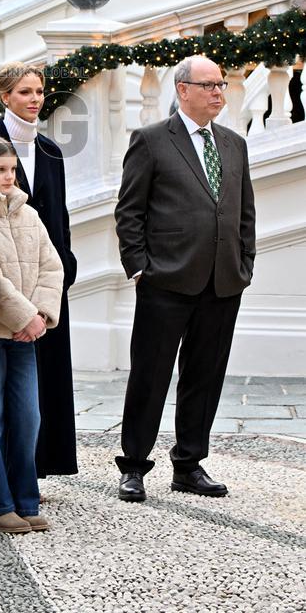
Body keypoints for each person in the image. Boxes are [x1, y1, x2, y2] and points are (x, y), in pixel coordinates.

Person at [114, 55, 256, 502]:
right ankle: (134, 466)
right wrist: (140, 268)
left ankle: (189, 465)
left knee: (205, 377)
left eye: (221, 85)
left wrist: (245, 264)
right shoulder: (152, 140)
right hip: (165, 282)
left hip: (223, 282)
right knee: (150, 375)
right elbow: (129, 212)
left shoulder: (234, 144)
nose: (218, 92)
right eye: (209, 85)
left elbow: (244, 212)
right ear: (182, 90)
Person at [0, 62, 78, 478]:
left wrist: (64, 267)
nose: (35, 99)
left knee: (41, 386)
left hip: (44, 285)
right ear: (5, 96)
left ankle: (33, 471)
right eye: (25, 92)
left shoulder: (51, 150)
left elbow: (59, 215)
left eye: (39, 91)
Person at [0, 137, 64, 533]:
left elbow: (52, 267)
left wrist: (40, 315)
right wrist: (24, 315)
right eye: (0, 169)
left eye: (12, 169)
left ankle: (25, 499)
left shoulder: (29, 214)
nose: (8, 176)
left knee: (28, 418)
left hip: (25, 336)